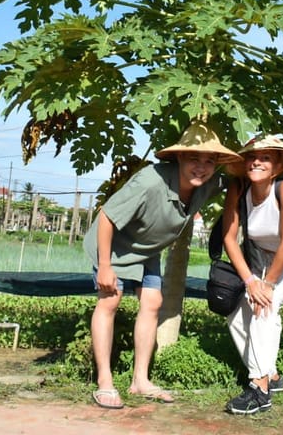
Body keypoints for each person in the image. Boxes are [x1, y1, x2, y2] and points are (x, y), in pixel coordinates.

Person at [84, 121, 241, 409]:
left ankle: (139, 381)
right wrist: (105, 265)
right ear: (180, 156)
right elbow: (107, 217)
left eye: (210, 161)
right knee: (110, 301)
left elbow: (238, 175)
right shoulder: (149, 182)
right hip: (113, 245)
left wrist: (254, 153)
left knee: (153, 303)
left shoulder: (206, 183)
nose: (201, 167)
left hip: (147, 250)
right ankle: (104, 382)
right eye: (194, 158)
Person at [219, 135, 283, 415]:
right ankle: (271, 375)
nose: (256, 162)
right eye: (251, 156)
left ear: (276, 167)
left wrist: (268, 285)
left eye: (265, 158)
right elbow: (229, 238)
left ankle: (259, 388)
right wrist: (250, 281)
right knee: (236, 313)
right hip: (257, 260)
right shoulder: (238, 188)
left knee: (265, 308)